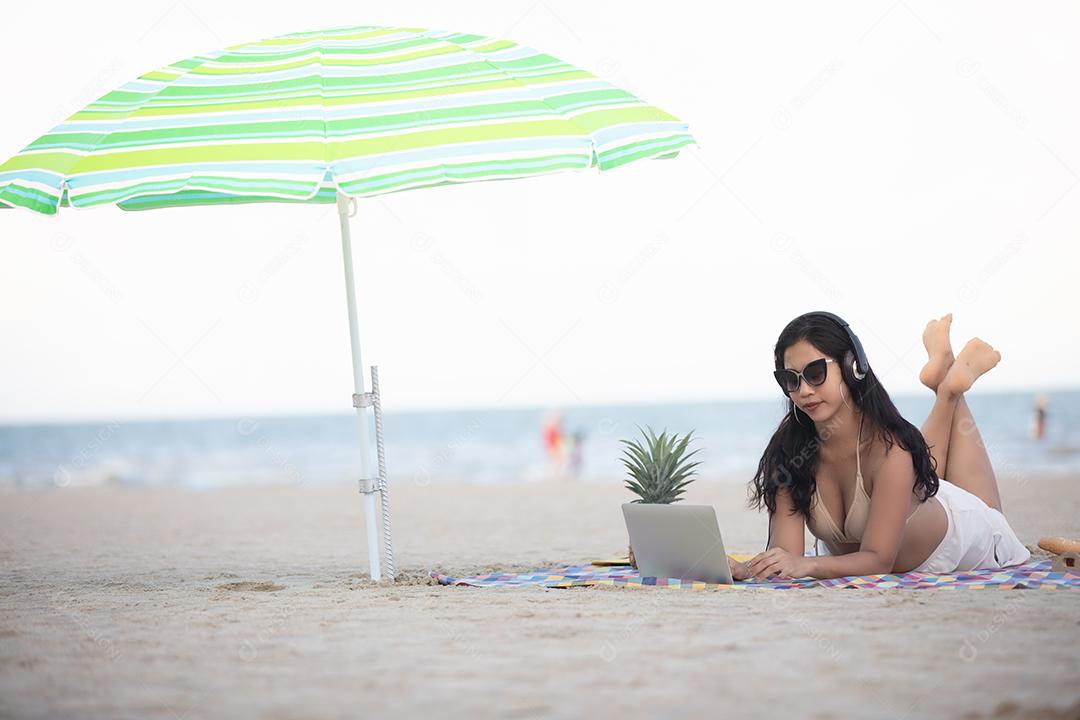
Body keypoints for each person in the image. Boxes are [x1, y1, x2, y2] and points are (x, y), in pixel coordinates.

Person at [729, 311, 1030, 581]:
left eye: (816, 373)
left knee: (990, 514)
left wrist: (809, 565)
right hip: (918, 496)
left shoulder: (891, 449)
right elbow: (786, 555)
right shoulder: (789, 452)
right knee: (923, 465)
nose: (804, 390)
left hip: (964, 535)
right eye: (791, 379)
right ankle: (947, 384)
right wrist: (751, 569)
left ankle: (951, 391)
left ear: (852, 366)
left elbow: (879, 561)